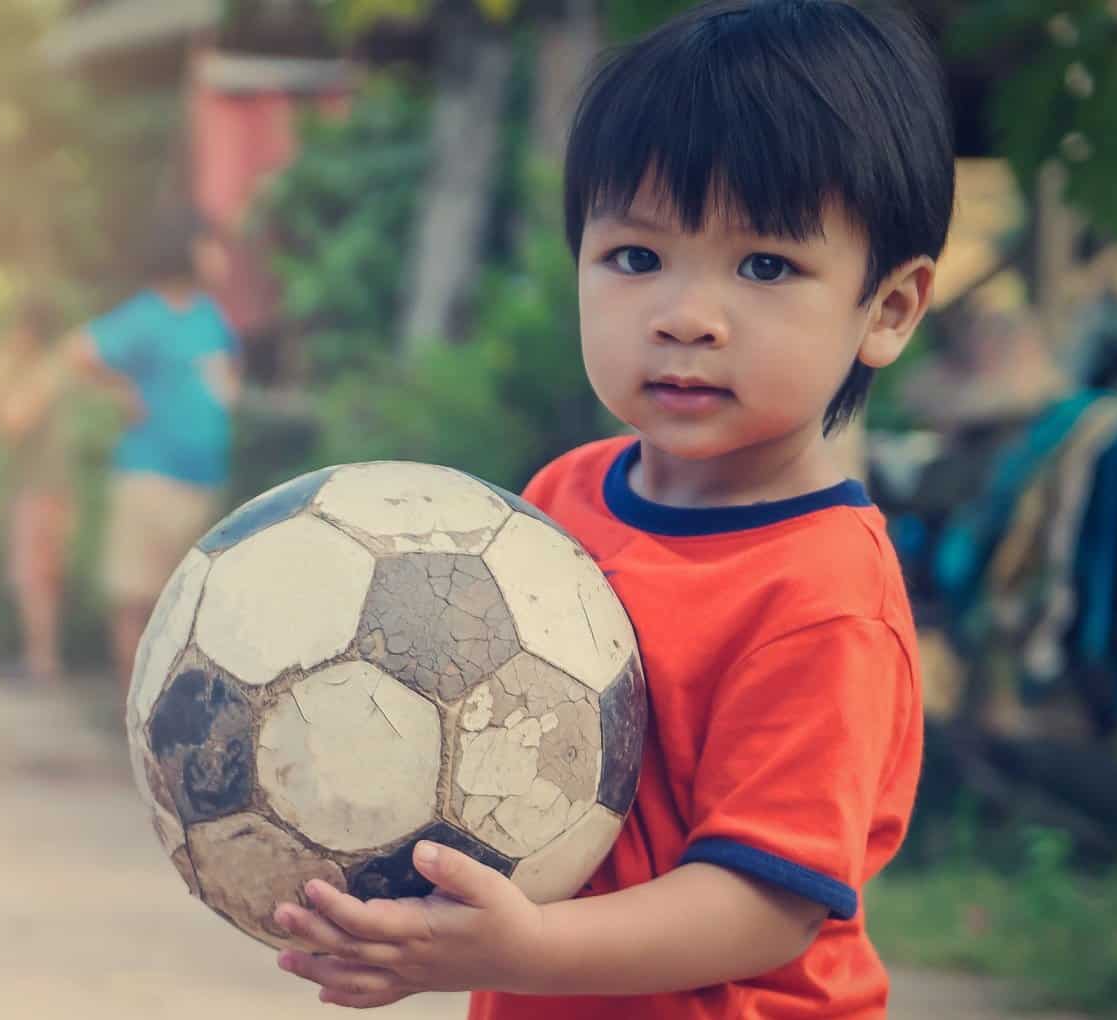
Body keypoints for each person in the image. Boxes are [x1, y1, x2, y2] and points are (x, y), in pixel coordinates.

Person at [267, 2, 949, 1017]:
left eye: (766, 266)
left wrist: (527, 945)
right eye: (636, 257)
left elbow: (763, 905)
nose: (685, 316)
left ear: (886, 310)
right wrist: (408, 914)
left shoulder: (823, 598)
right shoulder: (556, 503)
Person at [61, 208, 239, 692]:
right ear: (187, 251)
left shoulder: (212, 318)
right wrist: (120, 391)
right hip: (151, 474)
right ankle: (132, 708)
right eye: (211, 245)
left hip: (202, 478)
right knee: (137, 598)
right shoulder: (147, 315)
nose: (221, 256)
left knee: (189, 606)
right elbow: (79, 351)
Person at [0, 296, 77, 685]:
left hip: (43, 488)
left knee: (33, 576)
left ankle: (42, 661)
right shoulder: (47, 370)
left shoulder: (43, 373)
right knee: (38, 575)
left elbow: (10, 422)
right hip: (43, 486)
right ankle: (41, 658)